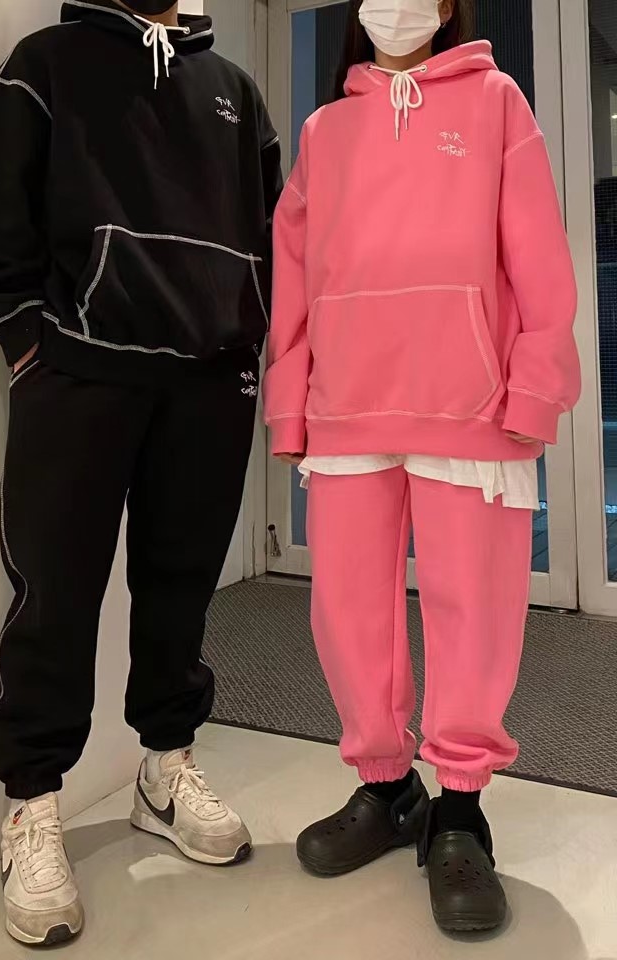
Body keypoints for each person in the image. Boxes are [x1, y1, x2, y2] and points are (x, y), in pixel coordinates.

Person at [0, 0, 281, 945]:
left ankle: (164, 770)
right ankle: (32, 804)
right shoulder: (44, 64)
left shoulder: (233, 92)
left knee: (182, 586)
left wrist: (247, 343)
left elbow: (273, 234)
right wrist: (27, 342)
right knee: (54, 591)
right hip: (78, 371)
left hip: (209, 379)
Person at [264, 0, 580, 934]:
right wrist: (290, 402)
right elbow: (292, 275)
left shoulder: (496, 102)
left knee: (472, 610)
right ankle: (386, 785)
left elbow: (540, 259)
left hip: (469, 403)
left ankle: (461, 810)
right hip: (348, 402)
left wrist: (534, 388)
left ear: (448, 6)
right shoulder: (325, 131)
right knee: (348, 609)